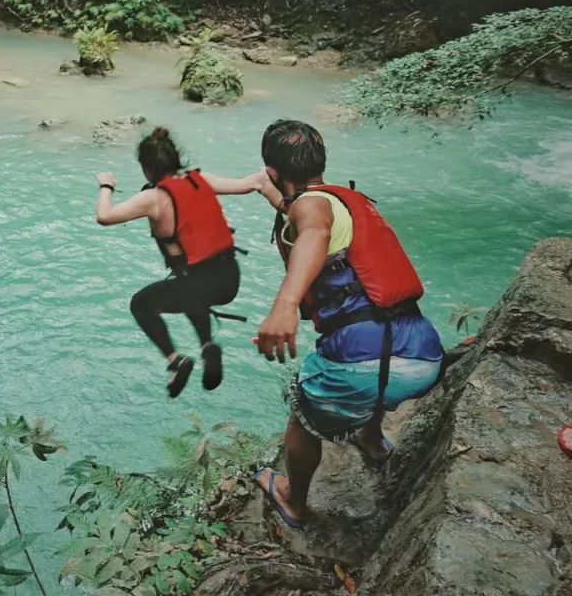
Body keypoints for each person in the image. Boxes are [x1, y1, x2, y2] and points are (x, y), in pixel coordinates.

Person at [252, 119, 444, 529]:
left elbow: (312, 230)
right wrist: (268, 191)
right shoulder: (344, 201)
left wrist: (286, 303)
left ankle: (293, 500)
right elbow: (301, 211)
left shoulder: (313, 211)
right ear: (320, 163)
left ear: (273, 170)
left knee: (303, 414)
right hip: (423, 357)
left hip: (360, 368)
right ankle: (372, 441)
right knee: (370, 358)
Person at [95, 127, 267, 398]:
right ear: (176, 159)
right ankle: (207, 345)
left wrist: (107, 186)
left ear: (146, 168)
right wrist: (265, 173)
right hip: (230, 278)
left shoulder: (153, 198)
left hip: (197, 283)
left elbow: (104, 216)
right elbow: (249, 184)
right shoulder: (201, 179)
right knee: (187, 290)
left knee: (141, 304)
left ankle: (176, 361)